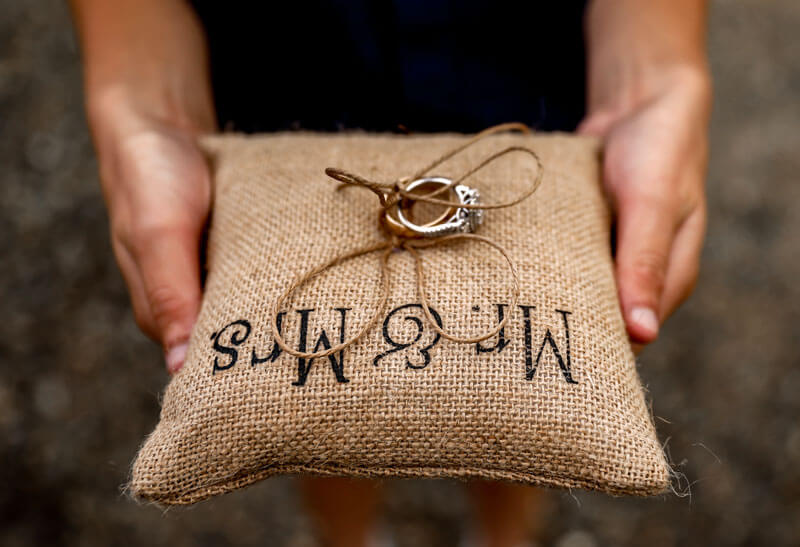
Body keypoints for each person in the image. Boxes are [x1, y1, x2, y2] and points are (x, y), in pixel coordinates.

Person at [68, 1, 710, 545]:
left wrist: (652, 61)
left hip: (524, 53)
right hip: (287, 55)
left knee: (520, 393)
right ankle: (342, 537)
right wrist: (140, 81)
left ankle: (506, 535)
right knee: (323, 385)